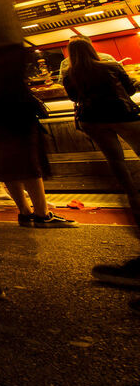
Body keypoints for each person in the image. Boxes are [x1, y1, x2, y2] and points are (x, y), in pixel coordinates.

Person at [61, 36, 140, 301]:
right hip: (123, 114)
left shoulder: (69, 72)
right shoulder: (110, 65)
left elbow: (72, 97)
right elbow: (129, 90)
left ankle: (130, 191)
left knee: (115, 160)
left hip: (93, 118)